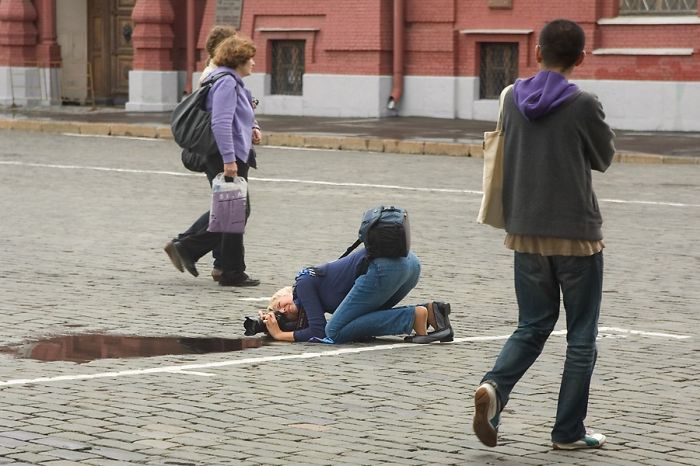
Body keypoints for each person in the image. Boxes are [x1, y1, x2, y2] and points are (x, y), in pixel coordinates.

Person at [472, 19, 615, 451]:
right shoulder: (584, 102)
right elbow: (603, 157)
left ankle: (494, 387)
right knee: (581, 336)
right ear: (581, 58)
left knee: (532, 325)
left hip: (526, 232)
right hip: (576, 235)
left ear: (536, 53)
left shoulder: (509, 97)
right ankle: (567, 432)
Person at [165, 26, 262, 285]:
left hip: (231, 154)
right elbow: (220, 123)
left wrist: (253, 127)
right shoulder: (226, 82)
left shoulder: (230, 80)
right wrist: (229, 160)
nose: (253, 63)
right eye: (250, 58)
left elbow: (240, 114)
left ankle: (228, 269)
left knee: (231, 210)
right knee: (234, 211)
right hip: (224, 155)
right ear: (238, 60)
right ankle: (187, 248)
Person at [258, 249, 454, 344]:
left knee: (334, 331)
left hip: (385, 267)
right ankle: (431, 312)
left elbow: (319, 331)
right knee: (354, 321)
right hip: (410, 263)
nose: (284, 309)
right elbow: (314, 326)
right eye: (282, 313)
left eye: (280, 304)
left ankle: (412, 316)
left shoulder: (302, 284)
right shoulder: (313, 290)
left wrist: (280, 334)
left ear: (287, 292)